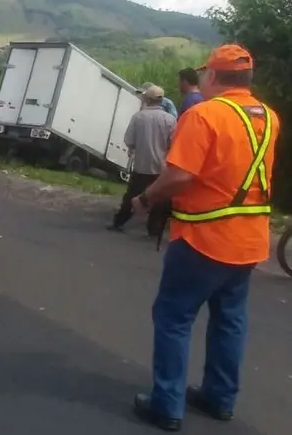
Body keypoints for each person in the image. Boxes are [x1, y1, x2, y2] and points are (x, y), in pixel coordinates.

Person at [129, 45, 280, 431]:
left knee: (174, 318)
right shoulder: (268, 117)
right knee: (229, 320)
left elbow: (180, 175)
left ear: (211, 76)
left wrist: (145, 198)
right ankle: (219, 397)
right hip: (249, 240)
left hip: (203, 238)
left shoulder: (204, 115)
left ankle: (167, 404)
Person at [109, 85, 175, 236]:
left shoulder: (138, 117)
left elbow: (129, 140)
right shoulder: (170, 120)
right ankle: (154, 230)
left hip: (141, 165)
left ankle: (119, 222)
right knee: (159, 198)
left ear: (147, 99)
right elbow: (173, 144)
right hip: (161, 168)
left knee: (132, 195)